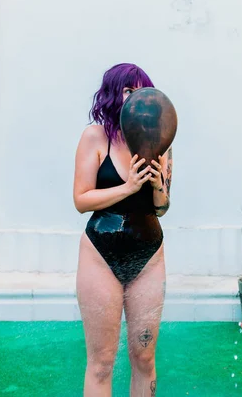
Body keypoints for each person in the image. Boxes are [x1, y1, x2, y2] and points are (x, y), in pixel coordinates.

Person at [73, 63, 173, 397]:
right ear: (113, 94)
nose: (135, 97)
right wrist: (129, 187)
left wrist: (159, 187)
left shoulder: (161, 142)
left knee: (144, 357)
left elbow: (162, 207)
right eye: (128, 90)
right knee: (102, 362)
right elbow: (82, 199)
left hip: (148, 255)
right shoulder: (95, 137)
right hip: (101, 254)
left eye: (142, 90)